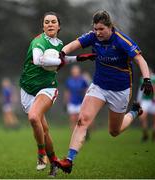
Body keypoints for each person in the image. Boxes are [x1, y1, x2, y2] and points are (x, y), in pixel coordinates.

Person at [53, 10, 153, 174]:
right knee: (82, 120)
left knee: (114, 131)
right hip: (98, 86)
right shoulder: (92, 36)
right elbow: (73, 44)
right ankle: (69, 160)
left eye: (101, 29)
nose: (97, 33)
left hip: (120, 91)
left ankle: (135, 112)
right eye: (95, 29)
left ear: (110, 27)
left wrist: (147, 79)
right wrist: (62, 53)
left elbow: (139, 59)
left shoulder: (121, 40)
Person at [19, 11, 95, 177]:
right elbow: (40, 60)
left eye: (53, 22)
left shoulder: (60, 44)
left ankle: (41, 154)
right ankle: (54, 162)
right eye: (47, 22)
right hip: (27, 88)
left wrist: (80, 58)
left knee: (33, 117)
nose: (50, 24)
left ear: (59, 26)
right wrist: (65, 59)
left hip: (47, 87)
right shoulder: (38, 41)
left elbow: (62, 59)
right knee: (44, 130)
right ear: (43, 26)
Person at [64, 65, 89, 130]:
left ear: (79, 72)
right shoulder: (69, 80)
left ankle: (83, 132)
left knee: (80, 119)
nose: (75, 72)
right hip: (72, 102)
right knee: (72, 119)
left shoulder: (83, 80)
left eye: (76, 71)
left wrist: (86, 101)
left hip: (80, 102)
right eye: (73, 71)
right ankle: (74, 135)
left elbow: (86, 90)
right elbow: (67, 92)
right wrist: (66, 102)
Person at [137, 68, 155, 142]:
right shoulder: (142, 79)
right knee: (142, 117)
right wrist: (138, 100)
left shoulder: (154, 78)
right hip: (145, 101)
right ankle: (145, 134)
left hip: (153, 101)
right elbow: (140, 90)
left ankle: (154, 134)